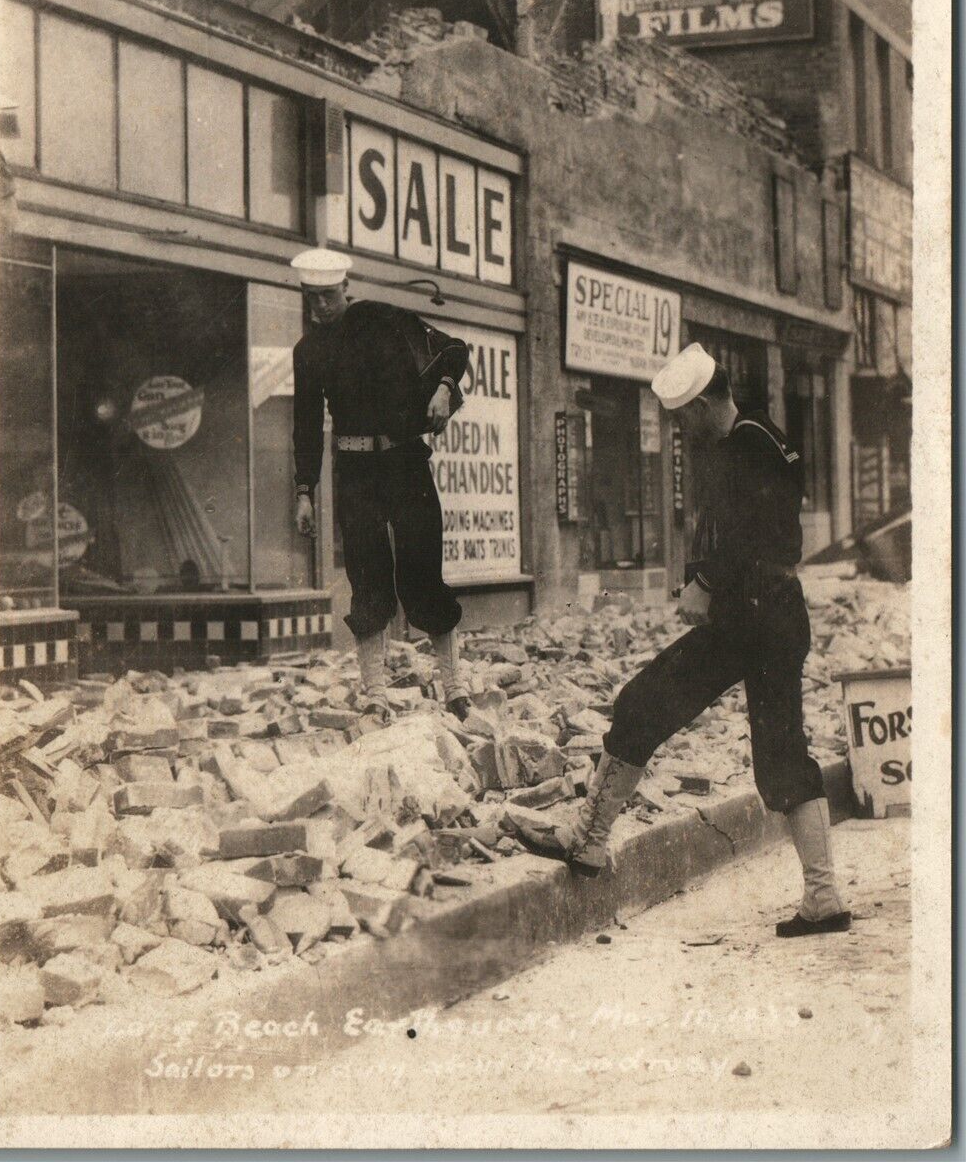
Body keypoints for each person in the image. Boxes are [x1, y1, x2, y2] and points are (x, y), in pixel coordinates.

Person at [517, 342, 851, 939]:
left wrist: (702, 581)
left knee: (682, 717)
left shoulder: (748, 444)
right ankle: (592, 842)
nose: (680, 428)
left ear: (699, 405)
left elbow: (753, 529)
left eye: (680, 417)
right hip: (764, 615)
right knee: (688, 718)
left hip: (756, 614)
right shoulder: (758, 435)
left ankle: (822, 897)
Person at [290, 248, 473, 724]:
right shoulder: (308, 352)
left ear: (345, 289)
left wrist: (444, 387)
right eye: (312, 299)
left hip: (406, 461)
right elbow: (306, 426)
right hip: (355, 473)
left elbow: (454, 349)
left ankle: (454, 686)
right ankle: (375, 693)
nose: (321, 307)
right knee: (367, 577)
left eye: (328, 296)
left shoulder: (383, 319)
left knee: (422, 571)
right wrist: (304, 491)